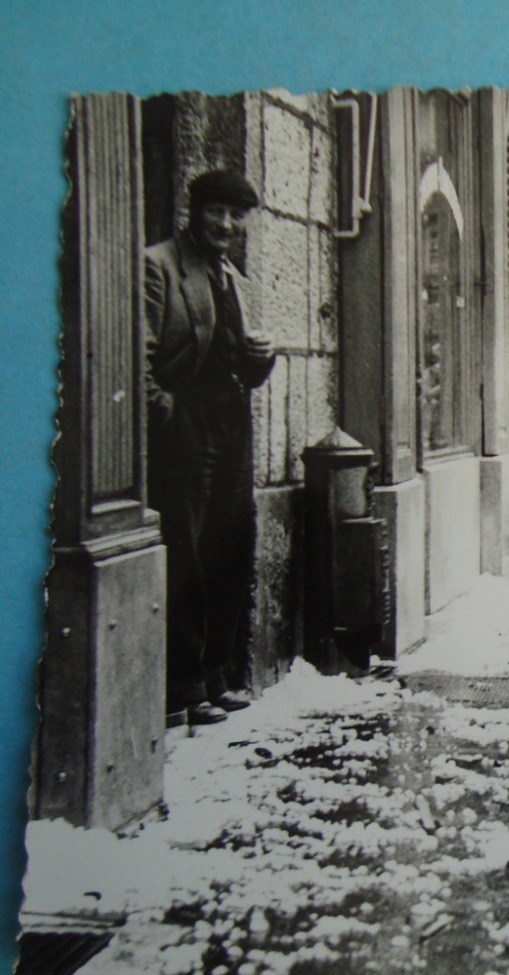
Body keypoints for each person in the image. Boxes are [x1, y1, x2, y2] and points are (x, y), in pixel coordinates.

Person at [144, 169, 277, 727]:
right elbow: (137, 353)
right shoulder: (160, 266)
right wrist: (165, 412)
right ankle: (182, 686)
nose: (225, 224)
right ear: (192, 211)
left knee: (230, 543)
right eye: (215, 212)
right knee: (188, 551)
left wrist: (261, 356)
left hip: (231, 424)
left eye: (235, 215)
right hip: (186, 426)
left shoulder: (233, 278)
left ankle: (218, 675)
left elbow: (239, 363)